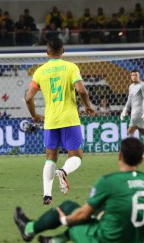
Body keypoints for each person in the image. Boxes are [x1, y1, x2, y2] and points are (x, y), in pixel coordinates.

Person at [14, 137, 144, 243]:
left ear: (120, 156)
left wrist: (65, 220)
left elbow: (82, 215)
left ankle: (29, 229)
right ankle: (54, 242)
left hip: (105, 242)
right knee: (101, 210)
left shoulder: (108, 181)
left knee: (69, 208)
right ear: (141, 159)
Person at [25, 38, 95, 205]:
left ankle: (47, 195)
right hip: (70, 118)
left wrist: (34, 115)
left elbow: (28, 98)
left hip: (51, 120)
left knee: (50, 157)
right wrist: (88, 106)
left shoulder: (40, 71)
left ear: (47, 52)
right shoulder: (71, 68)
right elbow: (81, 90)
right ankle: (63, 171)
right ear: (63, 50)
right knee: (76, 155)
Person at [120, 69, 144, 137]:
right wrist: (124, 112)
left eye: (136, 75)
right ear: (131, 76)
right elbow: (129, 101)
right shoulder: (131, 86)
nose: (134, 76)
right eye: (132, 75)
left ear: (139, 76)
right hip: (134, 114)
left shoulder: (142, 85)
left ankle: (133, 147)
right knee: (140, 132)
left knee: (129, 132)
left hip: (140, 113)